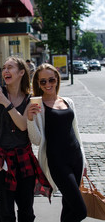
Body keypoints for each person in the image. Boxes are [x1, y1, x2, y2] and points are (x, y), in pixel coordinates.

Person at [0, 56, 52, 222]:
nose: (5, 70)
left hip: (24, 159)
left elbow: (22, 125)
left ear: (21, 72)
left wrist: (6, 103)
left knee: (27, 211)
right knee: (6, 213)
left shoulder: (31, 98)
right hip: (2, 159)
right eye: (4, 68)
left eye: (10, 67)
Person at [27, 63, 87, 222]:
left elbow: (76, 132)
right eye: (43, 81)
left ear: (57, 80)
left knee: (68, 206)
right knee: (81, 211)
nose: (48, 84)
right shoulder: (37, 106)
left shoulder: (68, 101)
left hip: (76, 159)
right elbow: (37, 140)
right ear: (38, 84)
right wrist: (30, 119)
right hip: (57, 163)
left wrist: (84, 162)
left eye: (51, 80)